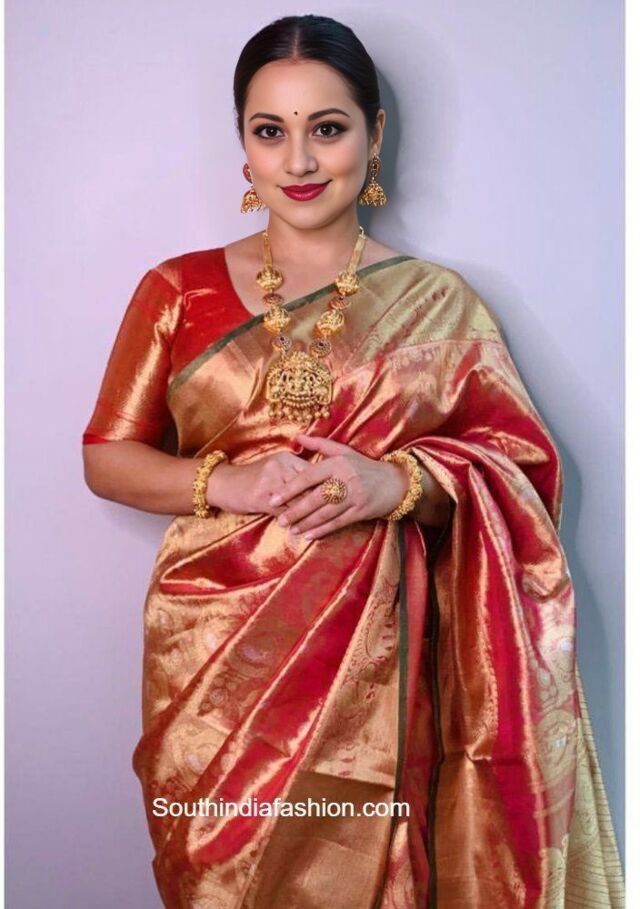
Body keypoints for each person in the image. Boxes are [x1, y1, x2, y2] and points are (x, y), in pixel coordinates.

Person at [81, 13, 624, 909]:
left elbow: (522, 471)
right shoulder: (177, 290)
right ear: (243, 146)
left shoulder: (439, 303)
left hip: (378, 676)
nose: (298, 160)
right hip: (214, 668)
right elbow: (107, 456)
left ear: (373, 135)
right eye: (270, 131)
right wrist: (229, 480)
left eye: (326, 128)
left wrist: (398, 481)